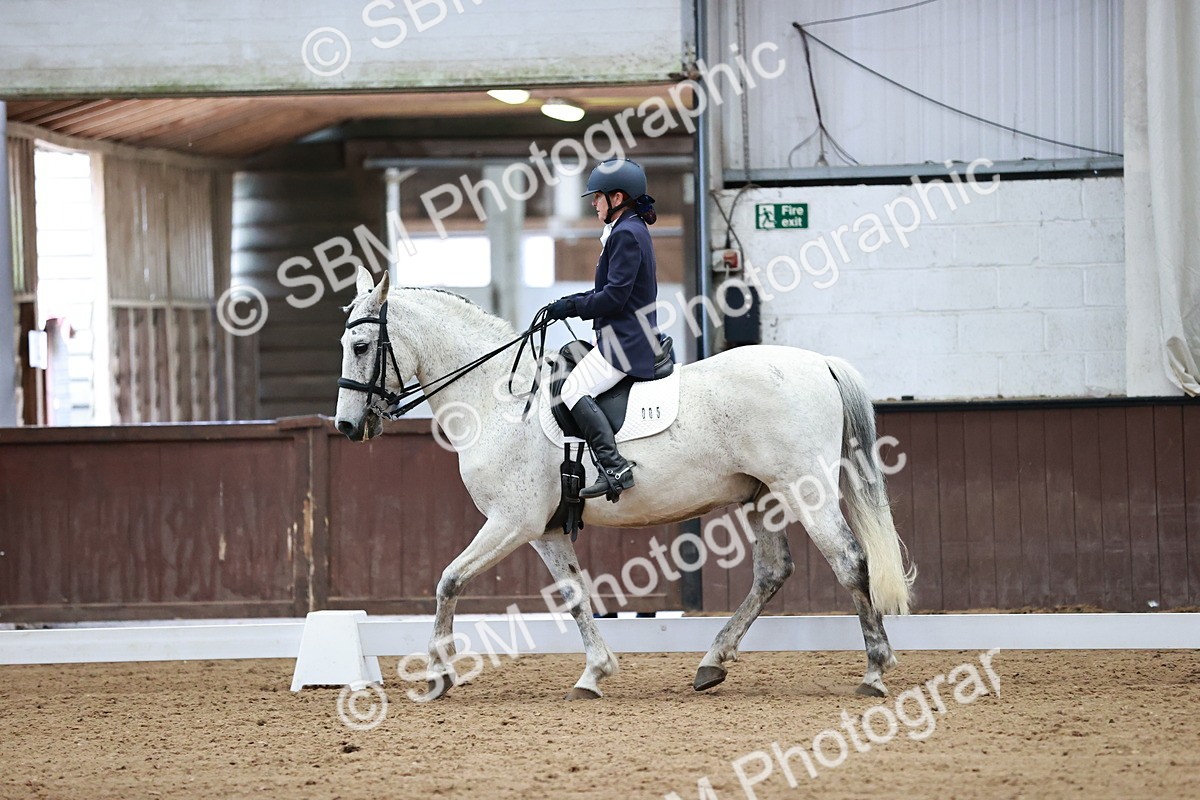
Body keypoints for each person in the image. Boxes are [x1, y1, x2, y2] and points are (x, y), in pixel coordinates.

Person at [545, 158, 661, 502]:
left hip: (625, 343)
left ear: (617, 198)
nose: (593, 203)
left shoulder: (626, 234)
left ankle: (614, 467)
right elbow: (608, 290)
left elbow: (613, 297)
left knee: (571, 390)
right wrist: (569, 300)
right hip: (622, 336)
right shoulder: (630, 229)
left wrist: (575, 307)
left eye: (598, 197)